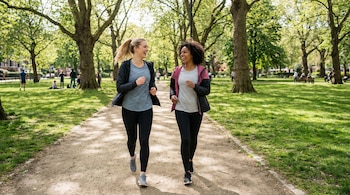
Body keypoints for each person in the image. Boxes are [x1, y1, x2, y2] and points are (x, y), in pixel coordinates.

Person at [114, 38, 160, 187]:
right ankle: (132, 156)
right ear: (136, 49)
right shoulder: (126, 66)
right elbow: (120, 87)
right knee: (131, 139)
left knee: (144, 140)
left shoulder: (149, 66)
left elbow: (151, 83)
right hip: (129, 109)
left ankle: (143, 175)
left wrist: (153, 89)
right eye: (145, 47)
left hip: (146, 108)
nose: (147, 49)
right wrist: (135, 83)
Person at [169, 39, 210, 185]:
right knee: (185, 139)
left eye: (185, 52)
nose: (182, 55)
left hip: (196, 110)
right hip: (181, 109)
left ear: (192, 54)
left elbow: (207, 90)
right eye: (181, 52)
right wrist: (172, 95)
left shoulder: (201, 71)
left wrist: (195, 86)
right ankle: (186, 171)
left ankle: (190, 159)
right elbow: (172, 87)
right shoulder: (177, 71)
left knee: (193, 139)